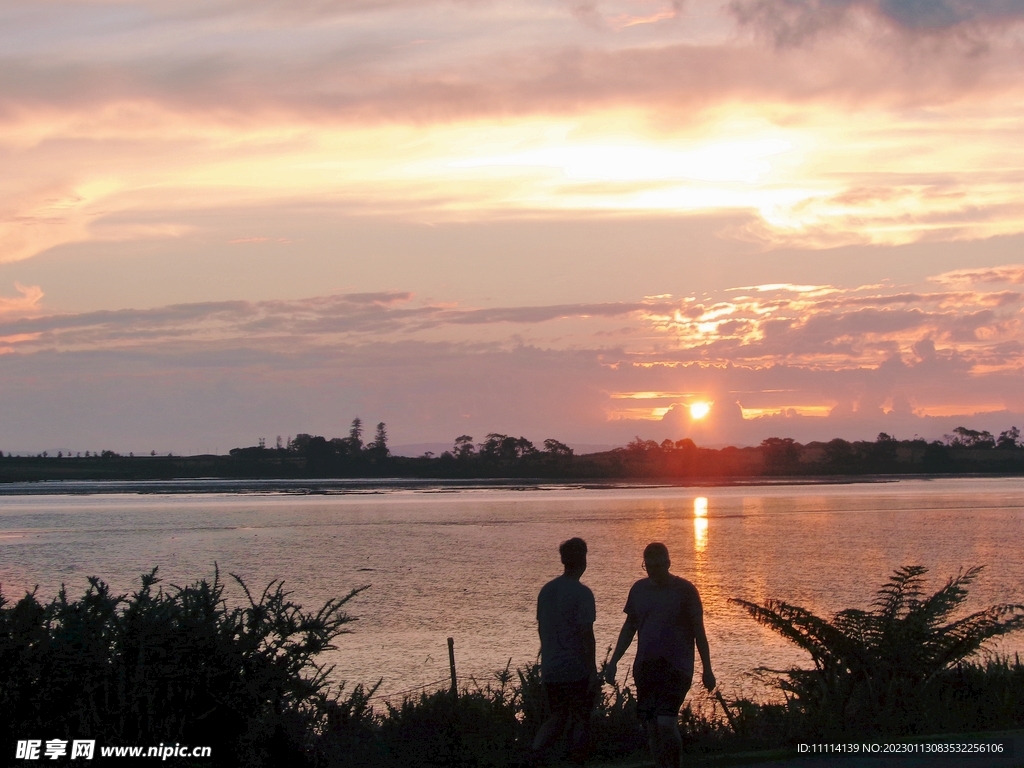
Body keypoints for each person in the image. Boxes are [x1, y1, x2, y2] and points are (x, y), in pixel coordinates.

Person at [604, 542, 715, 768]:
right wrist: (613, 661)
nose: (653, 571)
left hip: (677, 667)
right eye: (648, 566)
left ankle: (675, 764)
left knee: (666, 722)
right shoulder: (638, 590)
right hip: (646, 666)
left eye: (657, 566)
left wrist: (708, 669)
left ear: (668, 563)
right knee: (652, 726)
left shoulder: (685, 591)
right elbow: (629, 628)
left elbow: (699, 633)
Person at [531, 537, 598, 766]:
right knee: (581, 718)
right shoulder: (583, 594)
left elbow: (542, 630)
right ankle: (576, 761)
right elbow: (586, 635)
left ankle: (535, 755)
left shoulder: (546, 591)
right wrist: (592, 671)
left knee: (556, 716)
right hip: (576, 668)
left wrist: (547, 659)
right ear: (583, 561)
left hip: (551, 667)